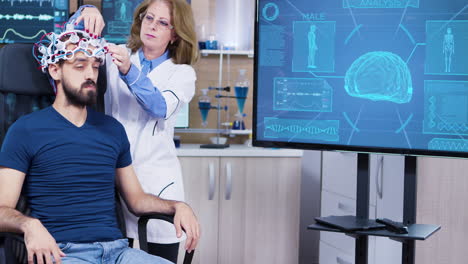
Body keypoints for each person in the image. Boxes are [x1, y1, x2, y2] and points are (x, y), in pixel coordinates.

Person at [0, 26, 199, 264]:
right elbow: (2, 209)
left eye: (95, 66)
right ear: (55, 70)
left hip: (118, 252)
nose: (91, 74)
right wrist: (29, 225)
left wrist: (178, 206)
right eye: (80, 65)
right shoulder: (25, 130)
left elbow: (136, 200)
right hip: (62, 253)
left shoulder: (112, 130)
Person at [72, 1, 199, 262]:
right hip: (114, 184)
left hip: (157, 187)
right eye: (148, 17)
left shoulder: (182, 73)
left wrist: (130, 71)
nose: (152, 25)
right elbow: (70, 46)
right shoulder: (115, 55)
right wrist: (84, 12)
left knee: (159, 259)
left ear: (175, 34)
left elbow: (159, 106)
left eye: (163, 22)